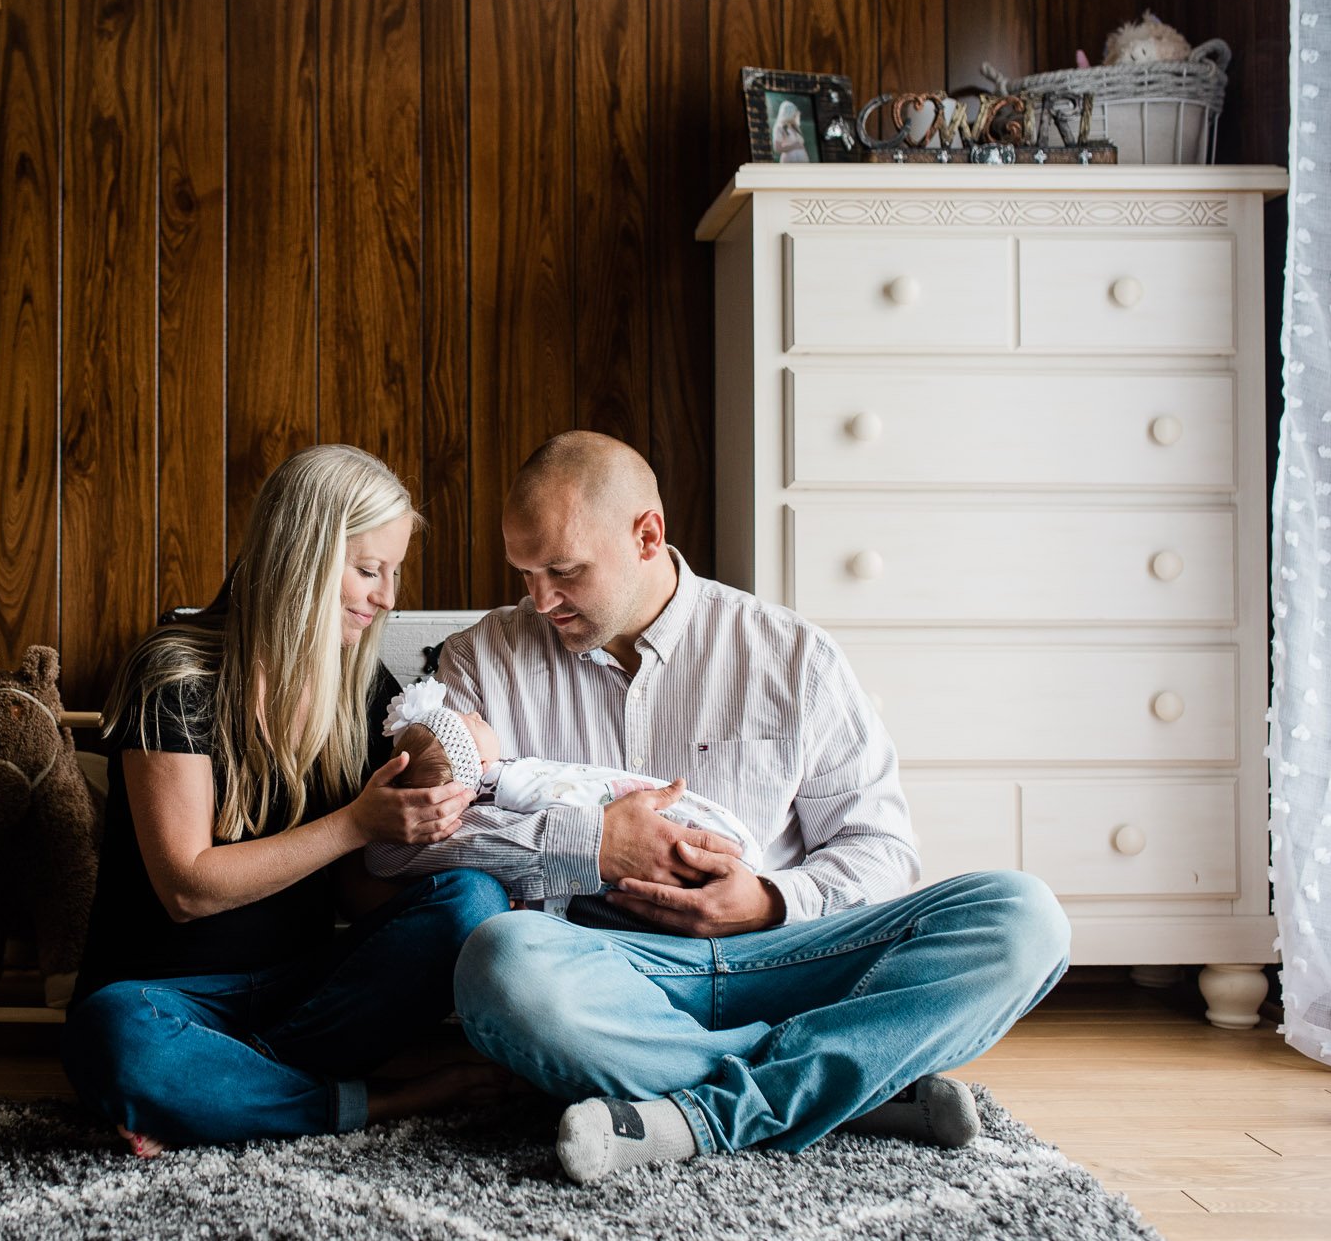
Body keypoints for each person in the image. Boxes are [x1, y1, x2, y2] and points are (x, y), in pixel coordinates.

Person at [366, 431, 1071, 1183]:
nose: (542, 599)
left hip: (790, 959)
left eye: (565, 570)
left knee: (1023, 917)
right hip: (608, 975)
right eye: (527, 573)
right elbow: (406, 849)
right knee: (499, 965)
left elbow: (883, 852)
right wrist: (589, 842)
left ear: (648, 535)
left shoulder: (793, 654)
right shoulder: (481, 661)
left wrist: (769, 900)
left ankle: (697, 1109)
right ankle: (842, 1083)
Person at [63, 444, 510, 1157]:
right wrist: (357, 820)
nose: (388, 596)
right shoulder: (175, 673)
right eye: (370, 570)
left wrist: (444, 821)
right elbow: (186, 888)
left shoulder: (360, 688)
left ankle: (227, 1088)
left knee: (472, 904)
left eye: (393, 572)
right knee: (115, 1035)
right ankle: (377, 1100)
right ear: (303, 555)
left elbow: (358, 890)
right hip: (166, 1000)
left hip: (300, 996)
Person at [381, 678, 763, 919]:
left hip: (748, 895)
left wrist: (765, 901)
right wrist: (596, 838)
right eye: (468, 723)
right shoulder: (509, 783)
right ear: (479, 764)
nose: (475, 712)